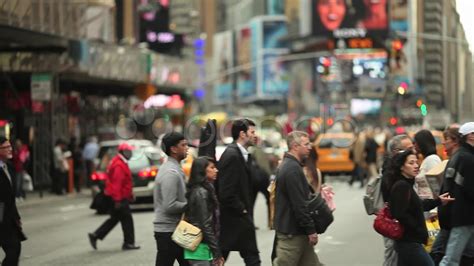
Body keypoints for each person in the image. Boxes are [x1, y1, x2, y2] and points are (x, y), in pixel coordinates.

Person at [385, 150, 453, 266]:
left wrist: (438, 201)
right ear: (402, 167)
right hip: (409, 242)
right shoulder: (401, 186)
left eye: (416, 162)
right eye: (411, 163)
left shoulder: (407, 185)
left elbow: (418, 206)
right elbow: (399, 214)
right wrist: (416, 227)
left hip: (410, 241)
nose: (416, 166)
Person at [273, 131, 323, 265]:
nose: (310, 147)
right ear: (295, 146)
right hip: (292, 234)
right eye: (306, 144)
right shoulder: (291, 169)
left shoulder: (292, 166)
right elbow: (299, 204)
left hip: (297, 232)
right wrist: (311, 230)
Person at [217, 119, 261, 265]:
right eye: (252, 132)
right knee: (220, 257)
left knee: (252, 258)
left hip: (240, 220)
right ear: (242, 134)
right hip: (233, 220)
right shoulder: (232, 155)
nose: (255, 135)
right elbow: (226, 192)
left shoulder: (243, 154)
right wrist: (242, 210)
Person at [88, 142, 140, 251]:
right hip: (118, 198)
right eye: (128, 151)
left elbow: (124, 183)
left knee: (115, 219)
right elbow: (117, 184)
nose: (130, 153)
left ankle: (96, 235)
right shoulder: (119, 165)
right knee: (127, 219)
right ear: (122, 152)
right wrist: (118, 200)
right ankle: (128, 243)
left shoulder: (120, 162)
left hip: (119, 197)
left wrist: (130, 195)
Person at [439, 122, 474, 266]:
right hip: (465, 216)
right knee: (451, 260)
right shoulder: (468, 158)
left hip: (459, 215)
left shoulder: (459, 156)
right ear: (470, 136)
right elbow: (471, 189)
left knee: (465, 257)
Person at [154, 132, 189, 266]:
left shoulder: (175, 168)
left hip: (175, 230)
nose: (187, 148)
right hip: (168, 232)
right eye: (183, 145)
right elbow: (170, 205)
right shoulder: (170, 173)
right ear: (173, 149)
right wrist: (189, 205)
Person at [380, 134, 415, 266]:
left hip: (401, 226)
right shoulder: (391, 172)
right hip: (395, 225)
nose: (413, 152)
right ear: (396, 152)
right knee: (392, 257)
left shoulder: (398, 169)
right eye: (409, 149)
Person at [185, 157, 224, 266]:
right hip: (200, 245)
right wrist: (216, 251)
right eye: (212, 167)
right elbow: (205, 224)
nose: (216, 170)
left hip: (202, 244)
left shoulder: (206, 189)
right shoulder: (201, 193)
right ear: (202, 170)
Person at [0, 137, 27, 266]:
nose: (10, 149)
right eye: (6, 147)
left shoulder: (8, 166)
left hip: (7, 217)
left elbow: (9, 198)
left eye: (10, 146)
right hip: (1, 218)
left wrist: (16, 217)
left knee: (14, 248)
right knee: (13, 248)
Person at [414, 130, 441, 199]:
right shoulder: (426, 159)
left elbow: (437, 186)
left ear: (421, 144)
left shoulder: (432, 160)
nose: (414, 146)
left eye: (415, 143)